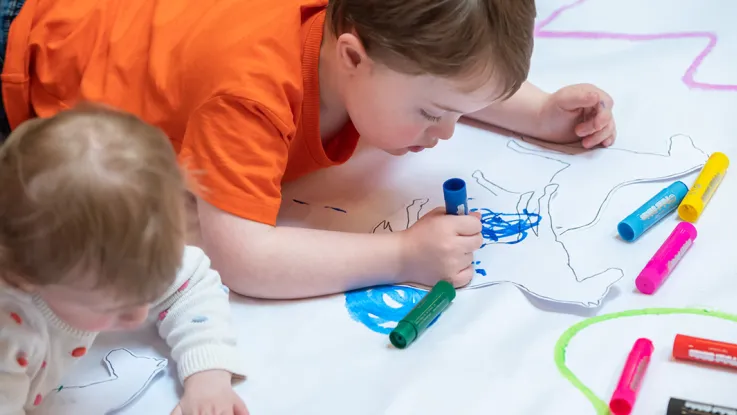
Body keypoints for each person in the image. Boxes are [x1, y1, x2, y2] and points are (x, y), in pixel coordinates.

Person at [0, 0, 616, 300]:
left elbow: (438, 70)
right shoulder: (252, 92)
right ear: (352, 57)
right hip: (21, 67)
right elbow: (241, 258)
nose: (447, 133)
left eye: (459, 112)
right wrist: (400, 253)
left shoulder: (366, 29)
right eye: (432, 114)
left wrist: (536, 113)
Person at [0, 105, 248, 415]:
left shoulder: (125, 256)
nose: (140, 314)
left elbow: (191, 285)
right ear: (27, 276)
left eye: (146, 292)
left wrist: (208, 376)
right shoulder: (10, 333)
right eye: (113, 309)